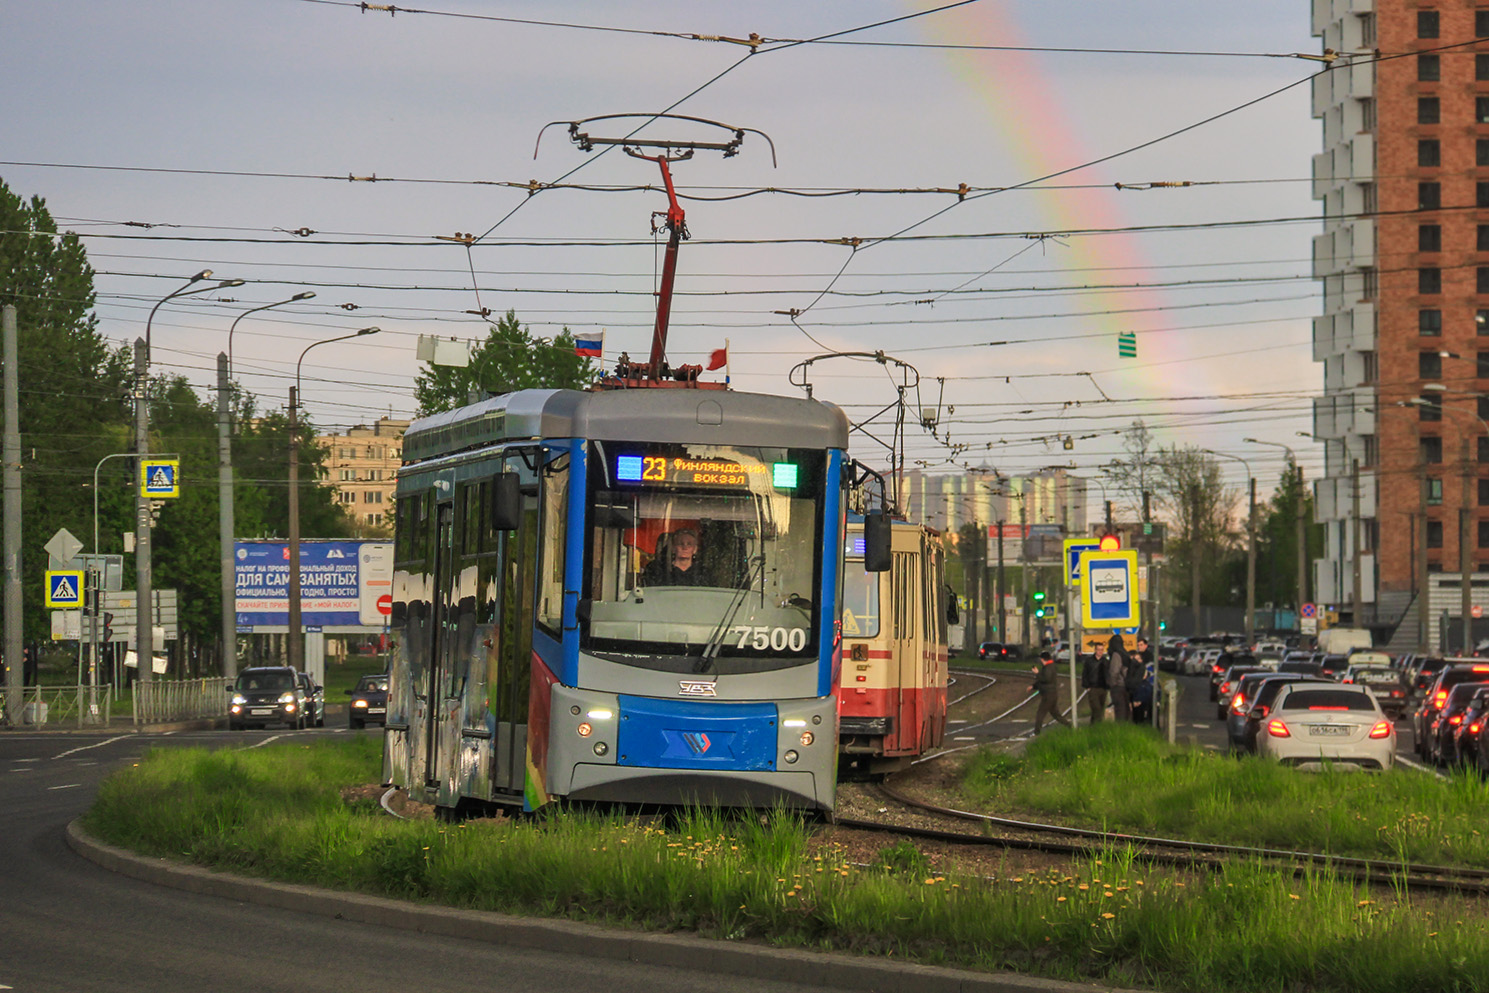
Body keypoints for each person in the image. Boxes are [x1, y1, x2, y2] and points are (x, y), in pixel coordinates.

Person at [641, 528, 707, 586]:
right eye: (680, 543)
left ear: (695, 549)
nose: (685, 547)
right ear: (673, 548)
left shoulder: (703, 573)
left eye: (689, 544)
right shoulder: (657, 571)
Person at [1032, 649, 1071, 734]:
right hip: (1051, 694)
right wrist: (1033, 686)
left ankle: (1036, 732)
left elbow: (1046, 679)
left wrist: (1037, 673)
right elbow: (1044, 680)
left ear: (1042, 659)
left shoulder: (1048, 667)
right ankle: (1069, 726)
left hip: (1048, 695)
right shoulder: (1049, 666)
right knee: (1056, 714)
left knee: (1040, 713)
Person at [1128, 636, 1155, 723]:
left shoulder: (1149, 656)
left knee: (1145, 706)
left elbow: (1150, 671)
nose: (1139, 647)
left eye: (1141, 645)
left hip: (1147, 684)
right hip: (1137, 685)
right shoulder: (1137, 656)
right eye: (1138, 645)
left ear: (1146, 645)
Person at [1082, 640, 1109, 723]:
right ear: (1095, 650)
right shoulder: (1089, 661)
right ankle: (1098, 726)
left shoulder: (1106, 662)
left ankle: (1093, 726)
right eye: (1098, 649)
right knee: (1096, 708)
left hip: (1103, 688)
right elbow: (1085, 674)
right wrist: (1087, 686)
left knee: (1100, 708)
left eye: (1102, 650)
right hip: (1093, 688)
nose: (1100, 651)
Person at [1107, 633, 1131, 721]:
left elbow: (1114, 671)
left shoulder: (1116, 655)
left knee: (1119, 710)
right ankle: (1126, 727)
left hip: (1118, 686)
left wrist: (1112, 684)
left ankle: (1120, 728)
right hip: (1126, 685)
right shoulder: (1125, 653)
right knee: (1125, 708)